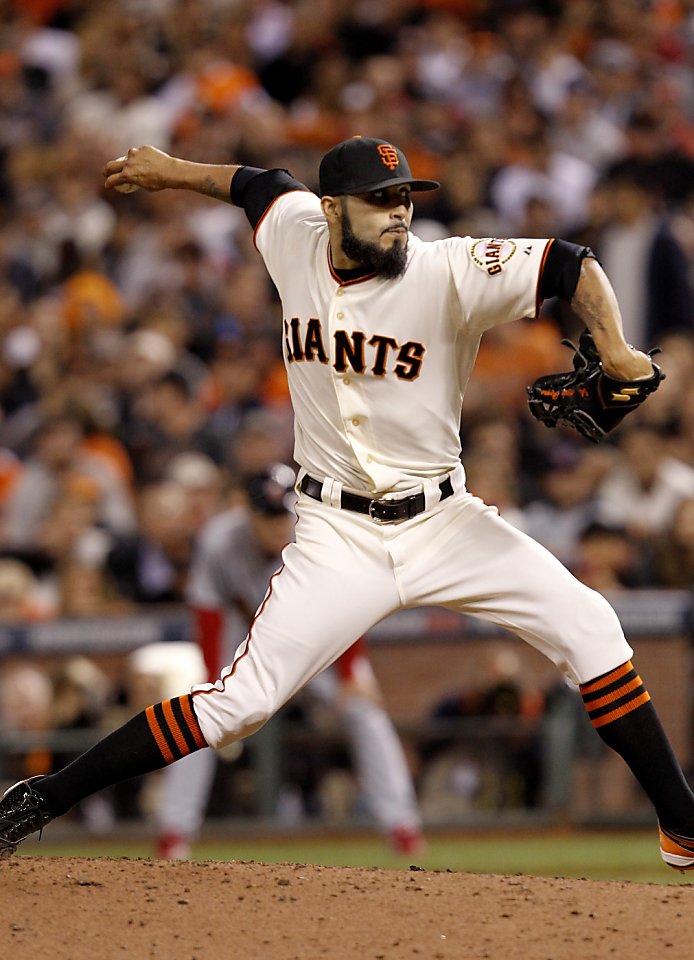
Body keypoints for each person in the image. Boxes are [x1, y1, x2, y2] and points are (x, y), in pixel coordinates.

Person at [2, 135, 693, 873]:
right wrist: (170, 171)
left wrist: (617, 352)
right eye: (379, 201)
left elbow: (569, 263)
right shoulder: (296, 231)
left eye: (403, 198)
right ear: (332, 210)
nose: (398, 214)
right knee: (241, 705)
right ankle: (40, 800)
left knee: (590, 624)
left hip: (444, 521)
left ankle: (683, 826)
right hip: (336, 535)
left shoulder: (444, 268)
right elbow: (252, 182)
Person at [151, 463, 423, 857]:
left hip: (315, 633)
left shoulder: (315, 532)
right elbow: (208, 614)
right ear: (248, 513)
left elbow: (346, 605)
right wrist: (215, 684)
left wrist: (350, 675)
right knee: (202, 712)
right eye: (268, 515)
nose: (279, 523)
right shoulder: (220, 542)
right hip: (245, 634)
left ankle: (402, 826)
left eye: (284, 513)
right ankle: (174, 831)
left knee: (365, 709)